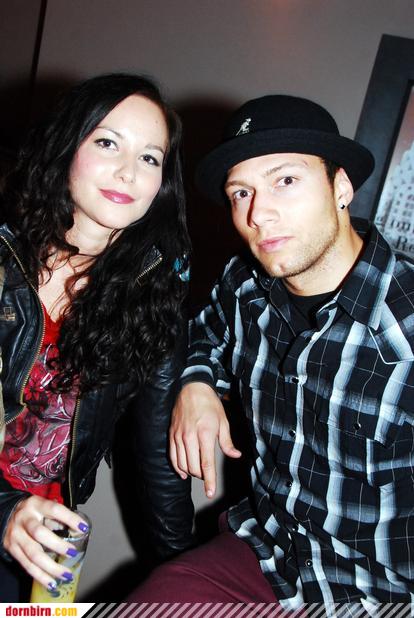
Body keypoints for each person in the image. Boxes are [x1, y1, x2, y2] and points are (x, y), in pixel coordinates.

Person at [130, 95, 414, 607]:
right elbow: (203, 331)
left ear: (341, 187)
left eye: (285, 180)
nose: (259, 214)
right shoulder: (245, 284)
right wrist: (196, 383)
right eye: (241, 192)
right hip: (265, 556)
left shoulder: (406, 326)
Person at [0, 73, 194, 601]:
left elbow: (157, 461)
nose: (129, 172)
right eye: (108, 143)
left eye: (150, 157)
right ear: (67, 147)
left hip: (46, 546)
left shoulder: (152, 299)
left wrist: (190, 579)